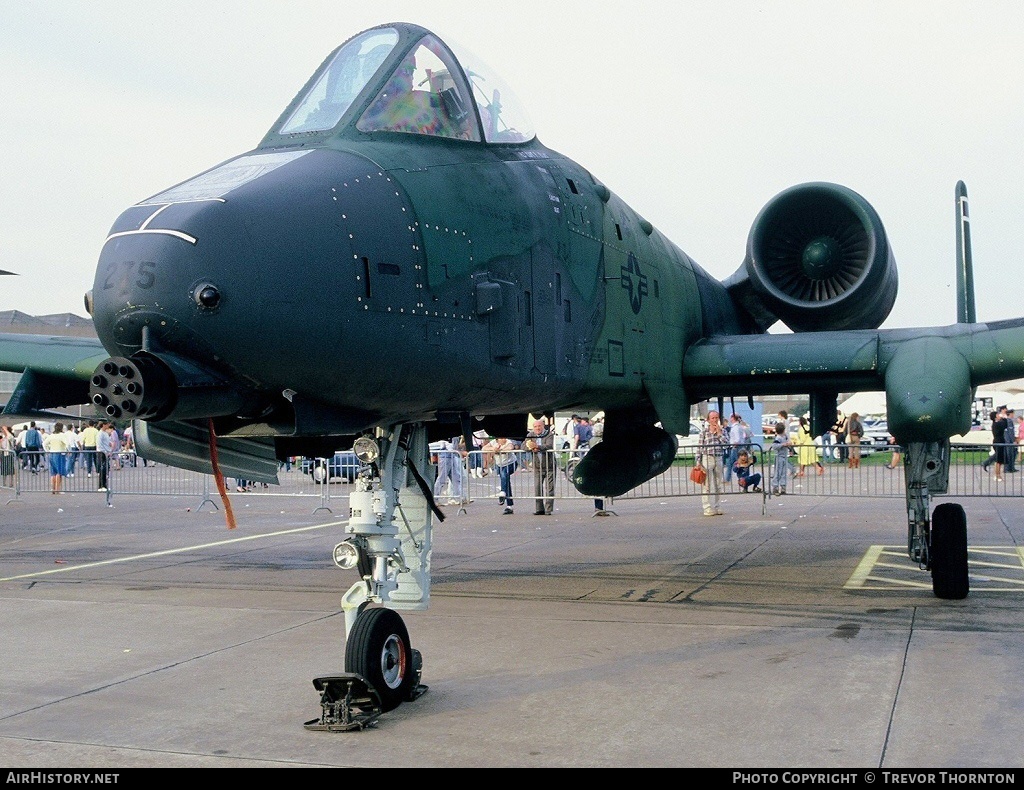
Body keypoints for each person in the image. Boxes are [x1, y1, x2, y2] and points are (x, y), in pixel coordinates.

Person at [694, 410, 728, 516]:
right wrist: (698, 461)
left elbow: (726, 444)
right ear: (708, 420)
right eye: (712, 418)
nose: (715, 420)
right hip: (707, 458)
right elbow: (700, 447)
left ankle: (718, 507)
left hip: (718, 458)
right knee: (706, 485)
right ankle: (707, 507)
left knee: (718, 484)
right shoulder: (704, 432)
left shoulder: (723, 431)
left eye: (716, 418)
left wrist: (719, 434)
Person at [524, 418, 555, 515]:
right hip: (537, 466)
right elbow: (523, 446)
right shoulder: (530, 435)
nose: (537, 428)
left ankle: (548, 509)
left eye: (539, 426)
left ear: (543, 426)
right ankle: (539, 509)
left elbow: (549, 445)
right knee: (537, 487)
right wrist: (530, 448)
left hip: (549, 465)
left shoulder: (549, 434)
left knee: (550, 488)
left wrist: (538, 447)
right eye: (535, 426)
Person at [484, 436, 519, 514]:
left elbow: (510, 448)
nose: (503, 439)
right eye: (501, 438)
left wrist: (499, 450)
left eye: (504, 437)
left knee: (504, 474)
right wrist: (493, 449)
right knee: (506, 481)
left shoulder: (508, 442)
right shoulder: (493, 442)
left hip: (511, 463)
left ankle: (502, 492)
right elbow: (484, 448)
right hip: (500, 465)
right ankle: (509, 506)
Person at [42, 422, 69, 494]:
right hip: (60, 454)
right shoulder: (62, 435)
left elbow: (44, 444)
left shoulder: (51, 435)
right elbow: (68, 444)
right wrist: (68, 451)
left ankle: (53, 488)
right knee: (59, 472)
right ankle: (58, 489)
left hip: (52, 453)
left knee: (53, 472)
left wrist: (48, 450)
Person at [770, 421, 793, 495]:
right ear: (783, 430)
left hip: (784, 456)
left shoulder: (785, 436)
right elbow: (774, 446)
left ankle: (783, 486)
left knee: (783, 472)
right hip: (779, 456)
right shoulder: (778, 438)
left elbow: (787, 443)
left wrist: (790, 448)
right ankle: (775, 486)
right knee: (778, 472)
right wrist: (783, 444)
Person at [724, 413, 744, 484]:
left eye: (730, 417)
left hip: (736, 447)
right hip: (739, 447)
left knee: (732, 463)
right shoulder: (739, 426)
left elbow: (737, 439)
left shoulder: (735, 427)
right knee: (737, 464)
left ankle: (728, 479)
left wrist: (733, 444)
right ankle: (729, 479)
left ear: (733, 418)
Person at [96, 422, 114, 492]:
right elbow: (99, 444)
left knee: (106, 469)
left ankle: (104, 484)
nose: (108, 426)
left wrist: (110, 445)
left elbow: (107, 442)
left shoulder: (105, 433)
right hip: (102, 453)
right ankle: (101, 485)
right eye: (106, 424)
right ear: (103, 425)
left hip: (106, 452)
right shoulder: (100, 434)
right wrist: (105, 451)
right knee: (102, 469)